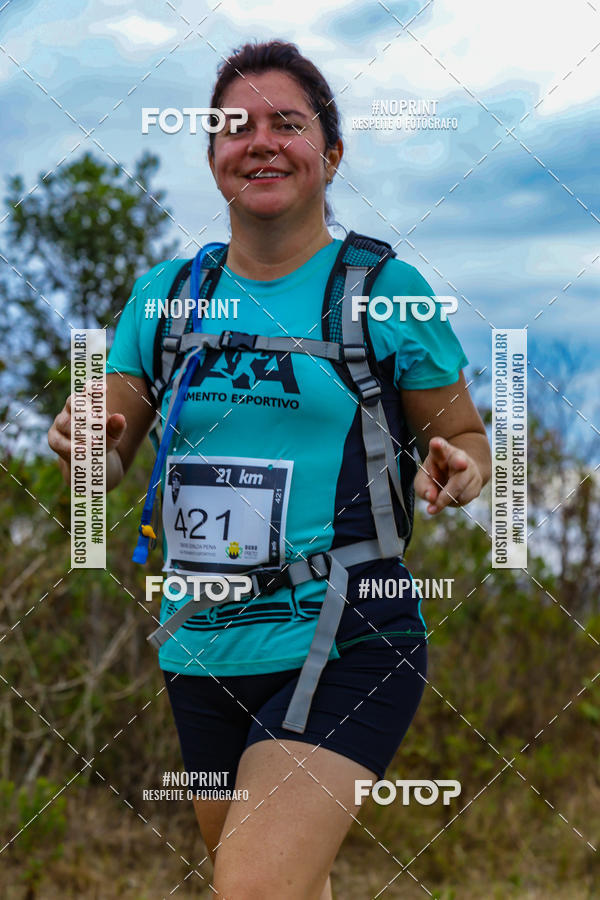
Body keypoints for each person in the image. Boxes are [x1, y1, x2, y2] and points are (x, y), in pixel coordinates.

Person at [48, 40, 491, 900]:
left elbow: (467, 438)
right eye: (233, 127)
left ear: (329, 154)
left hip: (350, 626)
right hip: (203, 642)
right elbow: (104, 447)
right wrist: (81, 442)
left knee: (252, 891)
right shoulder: (166, 296)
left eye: (287, 124)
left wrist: (460, 470)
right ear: (211, 155)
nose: (259, 142)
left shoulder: (387, 291)